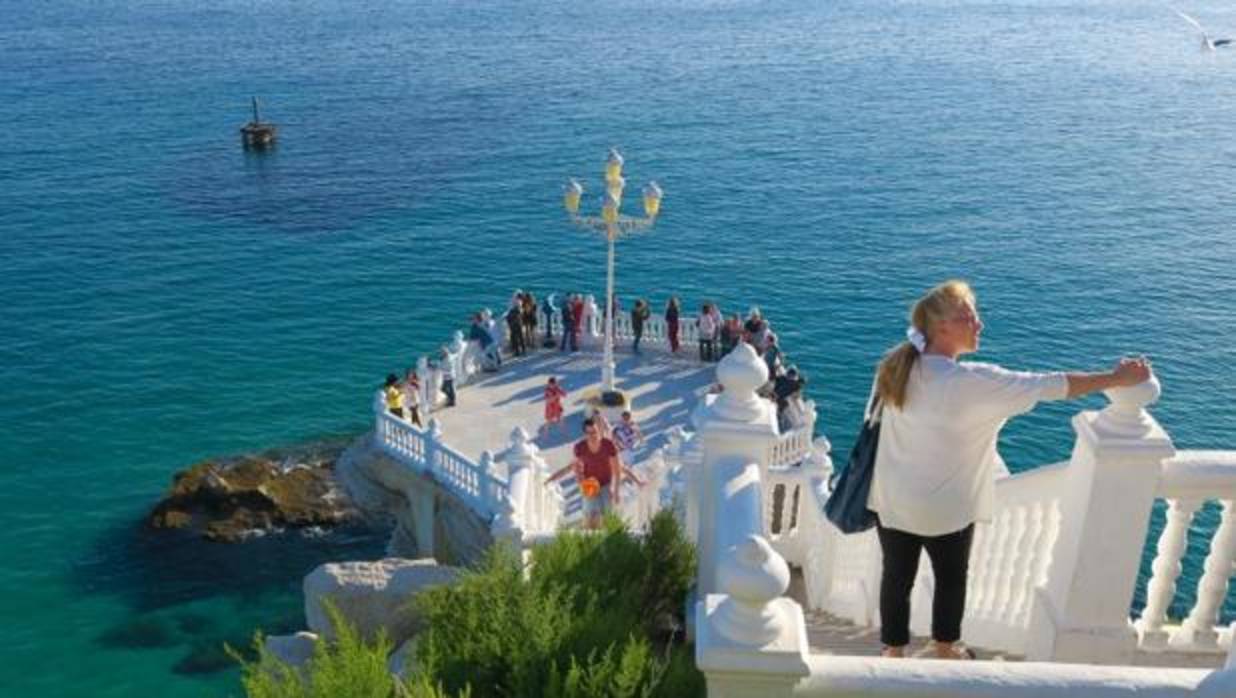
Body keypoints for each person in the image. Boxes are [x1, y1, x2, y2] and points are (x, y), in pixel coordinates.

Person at [865, 279, 1151, 660]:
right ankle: (945, 649)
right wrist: (1116, 379)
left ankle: (892, 653)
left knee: (896, 577)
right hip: (947, 509)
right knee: (951, 579)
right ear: (942, 328)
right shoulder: (974, 382)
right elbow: (1051, 386)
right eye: (968, 316)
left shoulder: (895, 369)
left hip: (893, 499)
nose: (979, 323)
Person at [544, 417, 622, 529]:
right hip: (589, 485)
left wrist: (616, 491)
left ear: (599, 430)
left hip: (606, 484)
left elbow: (617, 470)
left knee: (608, 518)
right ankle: (587, 538)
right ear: (585, 434)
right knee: (591, 518)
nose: (592, 435)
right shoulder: (580, 448)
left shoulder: (608, 445)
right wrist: (552, 478)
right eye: (588, 433)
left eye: (594, 431)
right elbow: (571, 467)